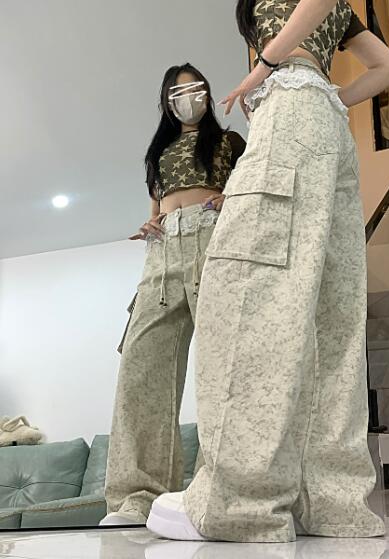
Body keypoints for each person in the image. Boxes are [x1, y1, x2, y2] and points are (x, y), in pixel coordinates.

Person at [147, 0, 389, 542]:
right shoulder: (342, 18)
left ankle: (237, 503)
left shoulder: (278, 49)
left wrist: (263, 67)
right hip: (329, 131)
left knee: (248, 297)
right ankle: (330, 505)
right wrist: (333, 97)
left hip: (289, 112)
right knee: (329, 314)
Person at [100, 63, 246, 526]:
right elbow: (157, 204)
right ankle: (137, 497)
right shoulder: (158, 152)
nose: (188, 97)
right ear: (166, 101)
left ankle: (219, 490)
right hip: (163, 249)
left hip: (212, 240)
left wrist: (231, 199)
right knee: (141, 369)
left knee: (222, 366)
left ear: (208, 93)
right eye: (177, 92)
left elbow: (248, 192)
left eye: (195, 88)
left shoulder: (229, 143)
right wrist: (150, 223)